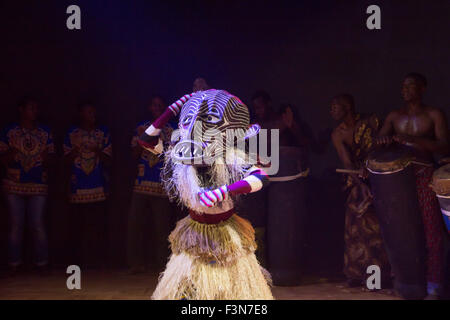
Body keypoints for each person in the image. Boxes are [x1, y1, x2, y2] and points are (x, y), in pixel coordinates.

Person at [139, 89, 273, 299]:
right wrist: (172, 110)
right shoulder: (180, 150)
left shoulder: (230, 156)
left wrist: (223, 192)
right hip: (194, 232)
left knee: (227, 291)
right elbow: (146, 141)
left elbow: (261, 176)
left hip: (225, 235)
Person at [377, 73, 448, 298]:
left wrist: (415, 141)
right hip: (396, 180)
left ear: (423, 88)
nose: (405, 90)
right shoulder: (393, 116)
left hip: (423, 174)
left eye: (410, 85)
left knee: (431, 231)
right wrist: (384, 141)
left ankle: (434, 285)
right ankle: (405, 283)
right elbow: (377, 147)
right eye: (403, 86)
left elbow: (445, 147)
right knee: (399, 231)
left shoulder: (433, 114)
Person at [330, 94, 391, 288]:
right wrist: (362, 185)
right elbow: (347, 163)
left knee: (377, 232)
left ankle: (381, 278)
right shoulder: (337, 134)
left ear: (347, 107)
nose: (331, 111)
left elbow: (383, 149)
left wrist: (370, 169)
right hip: (357, 180)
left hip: (379, 176)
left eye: (335, 107)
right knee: (355, 229)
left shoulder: (371, 122)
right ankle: (357, 275)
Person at [0, 97, 55, 274]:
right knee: (16, 224)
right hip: (14, 183)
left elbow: (52, 159)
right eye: (31, 108)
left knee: (37, 223)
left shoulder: (44, 132)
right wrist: (13, 151)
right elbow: (2, 158)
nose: (34, 111)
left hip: (38, 183)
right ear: (21, 109)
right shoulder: (9, 131)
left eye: (36, 108)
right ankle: (14, 264)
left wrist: (47, 158)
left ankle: (42, 263)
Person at [127, 95, 176, 274]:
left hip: (161, 184)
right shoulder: (142, 127)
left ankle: (162, 264)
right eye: (154, 105)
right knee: (136, 224)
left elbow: (175, 157)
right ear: (149, 108)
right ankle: (135, 263)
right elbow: (133, 154)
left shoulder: (171, 129)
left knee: (161, 227)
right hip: (141, 183)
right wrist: (143, 139)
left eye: (160, 106)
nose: (157, 108)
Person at [64, 102, 112, 268]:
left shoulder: (103, 132)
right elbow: (63, 160)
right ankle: (76, 264)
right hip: (77, 187)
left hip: (98, 186)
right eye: (88, 111)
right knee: (76, 228)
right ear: (81, 114)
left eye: (94, 111)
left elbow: (109, 159)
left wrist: (96, 150)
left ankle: (99, 262)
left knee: (98, 227)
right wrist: (76, 151)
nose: (92, 114)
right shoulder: (72, 133)